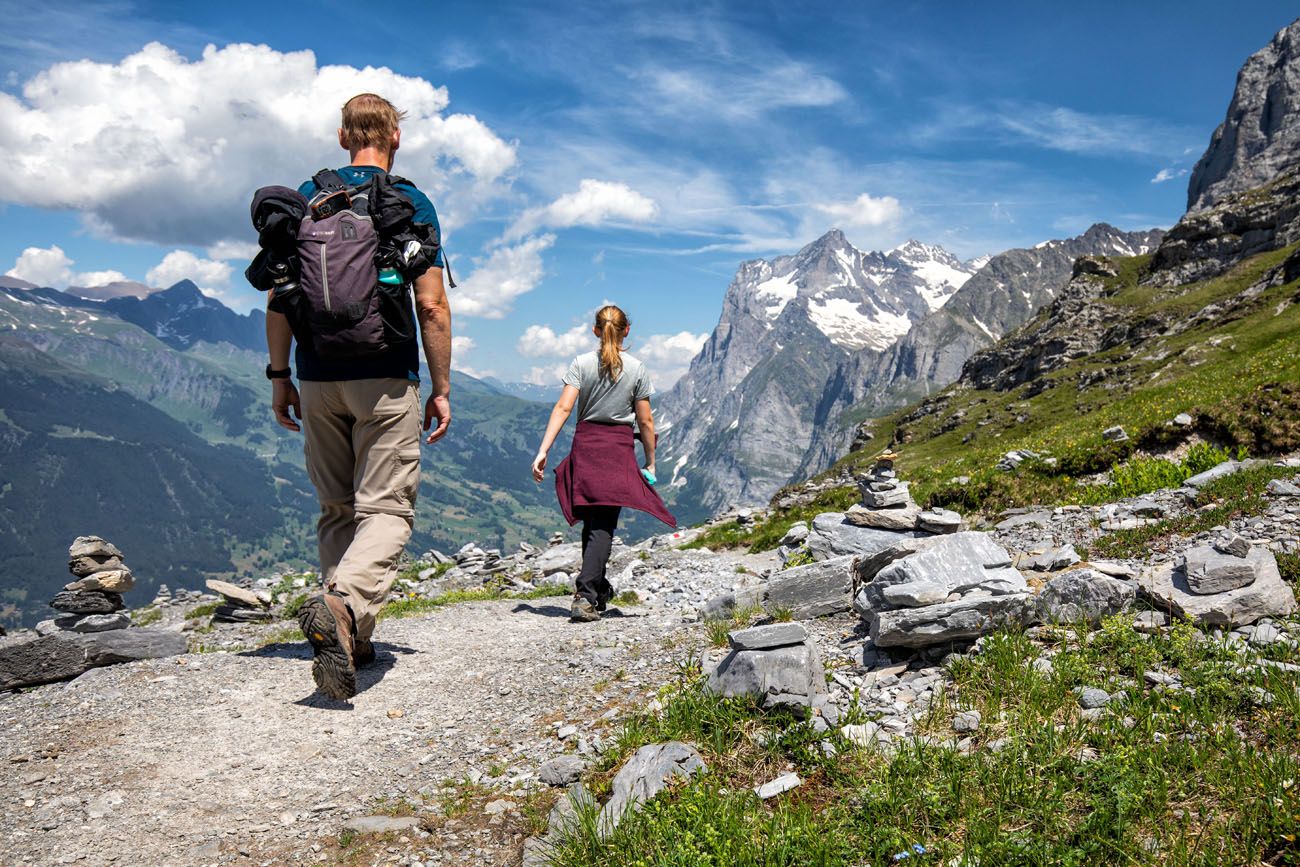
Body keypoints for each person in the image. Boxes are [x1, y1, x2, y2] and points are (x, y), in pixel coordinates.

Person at [266, 93, 452, 699]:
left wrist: (279, 376)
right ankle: (344, 607)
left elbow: (278, 296)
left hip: (317, 376)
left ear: (344, 136)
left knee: (337, 509)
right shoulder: (408, 202)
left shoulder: (306, 197)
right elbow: (431, 303)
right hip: (386, 375)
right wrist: (441, 387)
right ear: (395, 136)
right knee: (387, 511)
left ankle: (349, 634)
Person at [532, 305, 675, 622]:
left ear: (595, 330)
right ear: (627, 331)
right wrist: (650, 462)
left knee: (594, 521)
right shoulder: (637, 368)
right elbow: (646, 420)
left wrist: (543, 450)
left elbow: (563, 408)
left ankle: (597, 590)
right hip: (617, 450)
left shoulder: (581, 364)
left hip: (585, 446)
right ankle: (585, 594)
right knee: (603, 524)